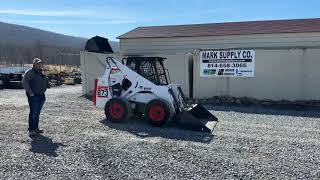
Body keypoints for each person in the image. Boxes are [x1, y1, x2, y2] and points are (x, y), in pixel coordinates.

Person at [22, 58, 49, 136]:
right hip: (34, 96)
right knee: (33, 113)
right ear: (34, 64)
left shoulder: (41, 72)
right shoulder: (29, 72)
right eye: (37, 63)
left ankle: (36, 128)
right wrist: (30, 93)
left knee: (37, 113)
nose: (39, 64)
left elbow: (45, 81)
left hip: (41, 96)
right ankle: (31, 130)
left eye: (40, 63)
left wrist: (48, 84)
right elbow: (24, 82)